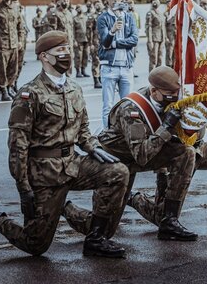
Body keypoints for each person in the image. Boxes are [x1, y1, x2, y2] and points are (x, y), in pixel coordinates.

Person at [0, 30, 129, 258]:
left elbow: (82, 130)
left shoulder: (74, 88)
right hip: (44, 173)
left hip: (72, 164)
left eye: (67, 49)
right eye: (60, 51)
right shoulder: (29, 94)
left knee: (118, 172)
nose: (67, 54)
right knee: (36, 245)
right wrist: (23, 188)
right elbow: (17, 146)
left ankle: (95, 239)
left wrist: (94, 146)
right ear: (44, 56)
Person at [63, 66, 198, 241]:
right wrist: (166, 127)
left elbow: (190, 137)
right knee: (103, 231)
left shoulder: (171, 102)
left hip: (136, 156)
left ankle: (168, 221)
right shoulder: (132, 109)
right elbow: (142, 155)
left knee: (186, 152)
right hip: (113, 163)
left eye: (175, 92)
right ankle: (63, 206)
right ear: (154, 91)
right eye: (168, 93)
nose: (173, 97)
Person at [128, 111, 207, 231]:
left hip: (198, 149)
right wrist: (162, 170)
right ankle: (132, 197)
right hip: (173, 154)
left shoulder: (205, 90)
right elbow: (151, 131)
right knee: (163, 218)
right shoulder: (166, 91)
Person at [97, 0, 139, 128]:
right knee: (108, 106)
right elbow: (104, 42)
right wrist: (112, 31)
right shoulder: (103, 18)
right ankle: (107, 135)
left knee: (128, 105)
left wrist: (114, 43)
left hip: (126, 67)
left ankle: (126, 135)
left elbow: (134, 40)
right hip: (109, 68)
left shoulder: (129, 17)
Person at [0, 0, 25, 101]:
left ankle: (10, 87)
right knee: (2, 69)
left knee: (13, 69)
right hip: (2, 44)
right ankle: (4, 90)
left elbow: (20, 26)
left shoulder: (16, 8)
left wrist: (20, 40)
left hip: (14, 43)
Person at [146, 0, 165, 72]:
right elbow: (148, 27)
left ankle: (158, 76)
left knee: (160, 58)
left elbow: (163, 26)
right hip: (154, 39)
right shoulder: (150, 13)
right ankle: (152, 76)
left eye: (157, 0)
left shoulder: (160, 13)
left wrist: (164, 38)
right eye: (154, 0)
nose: (156, 2)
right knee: (154, 59)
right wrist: (150, 40)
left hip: (161, 38)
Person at [88, 0, 103, 88]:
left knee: (103, 62)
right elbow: (89, 31)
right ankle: (96, 79)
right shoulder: (92, 16)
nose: (98, 5)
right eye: (96, 4)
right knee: (96, 61)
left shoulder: (105, 15)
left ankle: (101, 78)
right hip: (95, 42)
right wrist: (91, 44)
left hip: (104, 42)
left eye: (99, 3)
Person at [73, 4, 91, 78]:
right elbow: (73, 31)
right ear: (76, 10)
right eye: (77, 8)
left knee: (86, 55)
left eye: (80, 8)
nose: (79, 9)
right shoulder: (74, 19)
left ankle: (84, 70)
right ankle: (78, 71)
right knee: (78, 56)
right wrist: (74, 40)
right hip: (78, 40)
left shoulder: (86, 18)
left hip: (86, 39)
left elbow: (89, 29)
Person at [164, 0, 176, 68]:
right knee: (169, 52)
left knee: (175, 52)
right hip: (169, 36)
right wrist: (166, 37)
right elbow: (163, 27)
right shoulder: (166, 14)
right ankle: (168, 66)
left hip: (175, 35)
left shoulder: (175, 13)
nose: (169, 4)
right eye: (168, 3)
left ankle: (174, 66)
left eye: (170, 2)